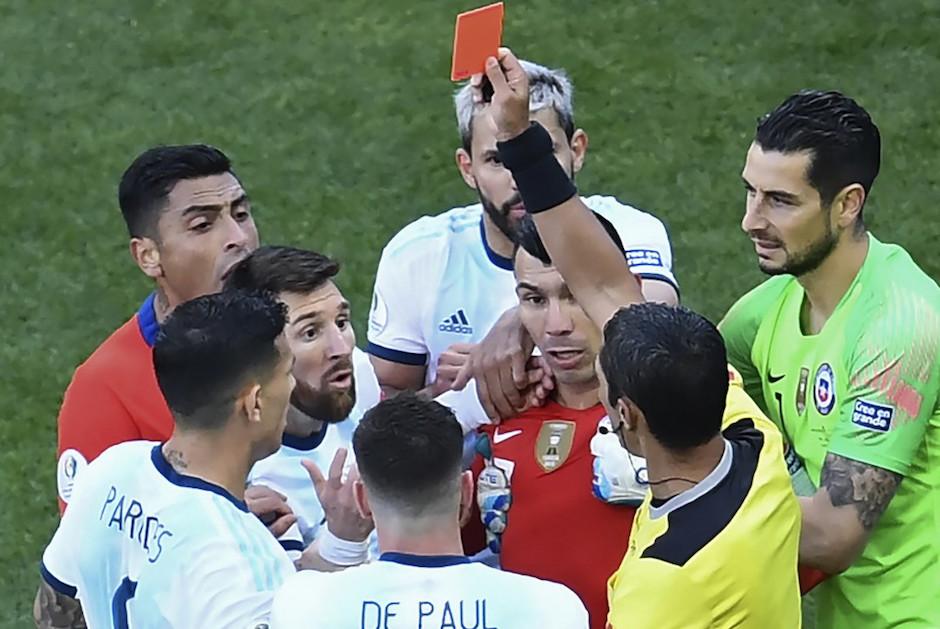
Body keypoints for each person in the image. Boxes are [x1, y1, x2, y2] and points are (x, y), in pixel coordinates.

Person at [478, 47, 802, 628]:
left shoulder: (664, 583)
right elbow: (604, 285)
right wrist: (520, 136)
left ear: (624, 416)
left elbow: (604, 290)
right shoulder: (757, 447)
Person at [719, 90, 940, 627]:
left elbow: (833, 535)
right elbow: (687, 382)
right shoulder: (768, 310)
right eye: (750, 193)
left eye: (780, 201)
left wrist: (691, 502)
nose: (751, 220)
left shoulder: (901, 328)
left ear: (846, 204)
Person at [366, 60, 678, 419]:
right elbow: (386, 411)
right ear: (467, 168)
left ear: (576, 150)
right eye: (498, 160)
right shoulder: (417, 255)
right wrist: (456, 389)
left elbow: (652, 318)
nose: (521, 178)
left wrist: (520, 326)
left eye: (539, 154)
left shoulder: (624, 229)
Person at [36, 291, 296, 628]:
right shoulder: (254, 571)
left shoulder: (110, 470)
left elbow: (53, 612)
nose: (293, 386)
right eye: (288, 372)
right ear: (254, 402)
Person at [465, 214, 647, 629]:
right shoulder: (498, 425)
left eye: (575, 296)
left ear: (625, 290)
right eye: (534, 300)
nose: (557, 326)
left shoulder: (685, 409)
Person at [270, 393, 589, 629]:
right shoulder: (553, 609)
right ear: (467, 491)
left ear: (362, 501)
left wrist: (342, 542)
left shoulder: (303, 605)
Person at [54, 144, 260, 506]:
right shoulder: (106, 391)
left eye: (241, 214)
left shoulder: (303, 331)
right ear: (149, 256)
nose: (239, 238)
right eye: (202, 225)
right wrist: (228, 519)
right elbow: (93, 554)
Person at [224, 245, 380, 569]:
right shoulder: (250, 477)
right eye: (311, 332)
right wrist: (341, 540)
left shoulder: (360, 375)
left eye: (341, 321)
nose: (341, 347)